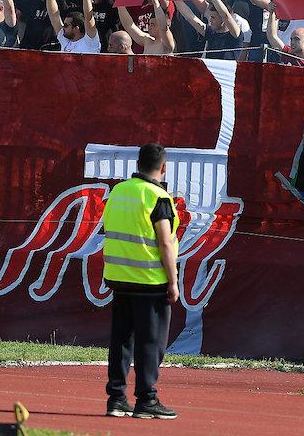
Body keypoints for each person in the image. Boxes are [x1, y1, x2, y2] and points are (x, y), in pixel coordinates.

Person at [102, 142, 179, 420]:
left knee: (121, 341)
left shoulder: (118, 191)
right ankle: (146, 400)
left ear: (138, 165)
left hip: (119, 278)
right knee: (151, 343)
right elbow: (165, 242)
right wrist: (173, 281)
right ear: (163, 167)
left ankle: (117, 399)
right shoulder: (158, 197)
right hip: (149, 280)